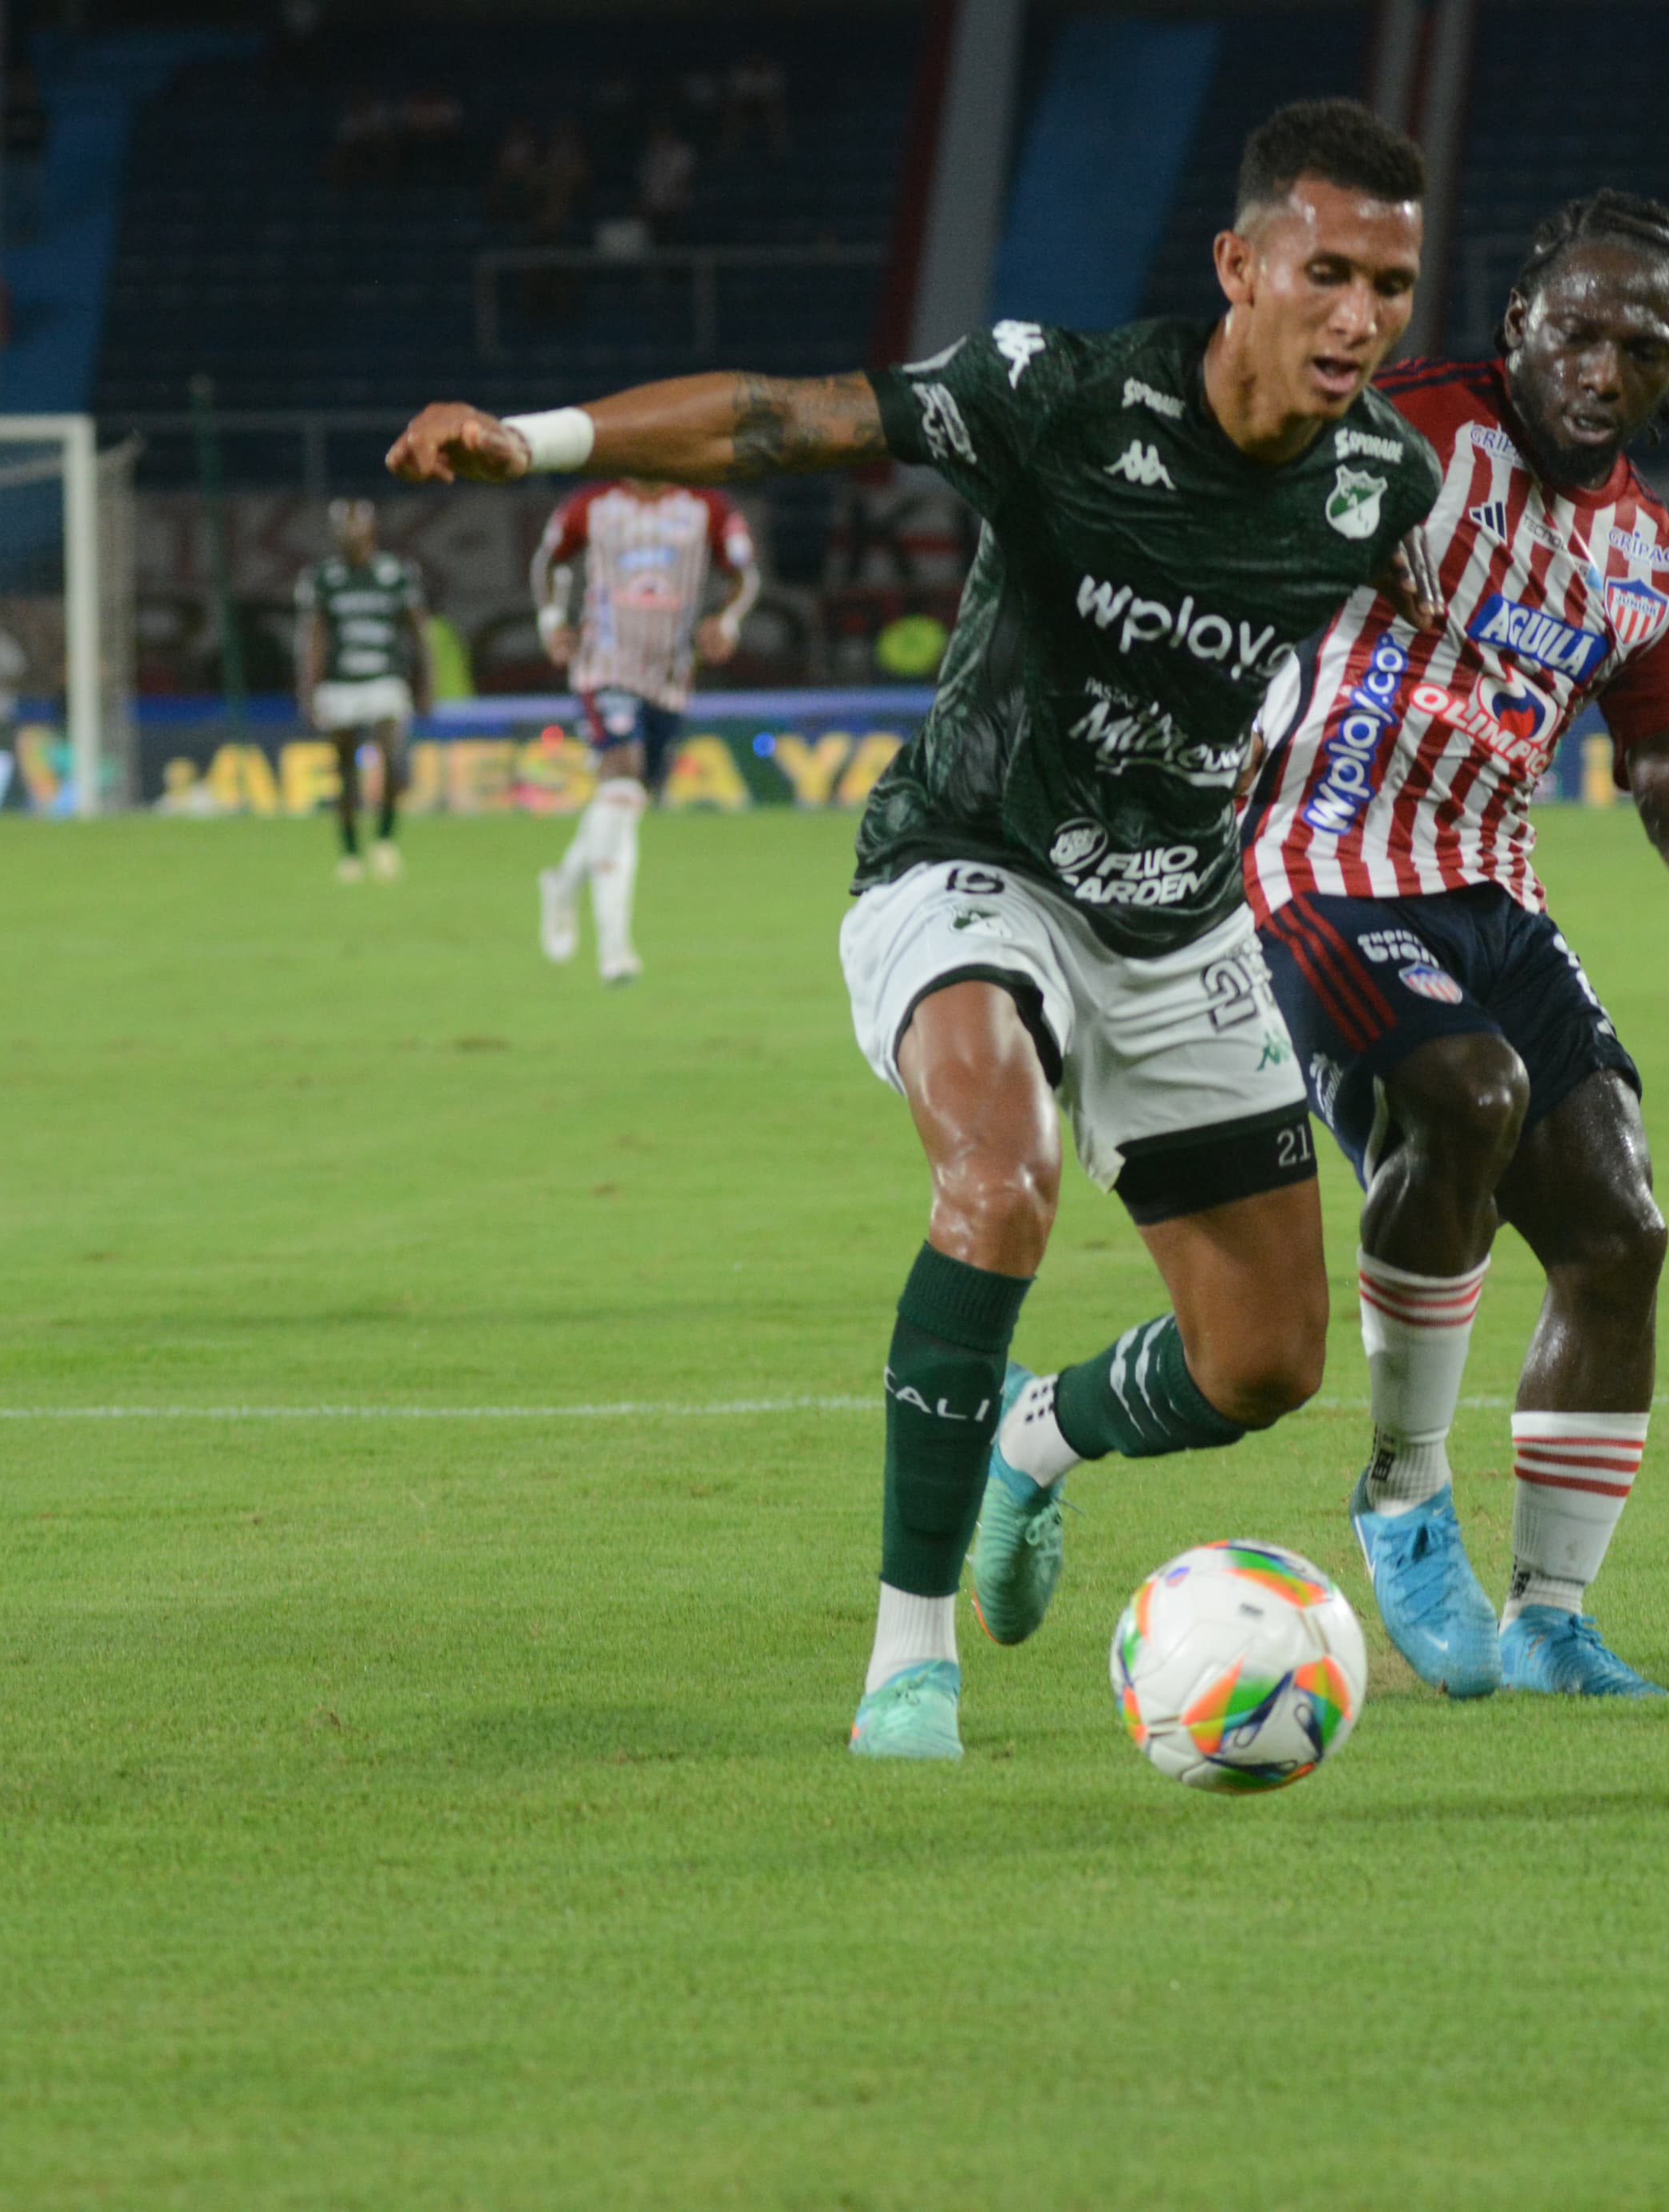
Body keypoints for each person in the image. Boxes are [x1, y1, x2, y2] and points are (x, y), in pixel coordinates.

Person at [388, 97, 1447, 1764]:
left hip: (1176, 918)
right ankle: (908, 1658)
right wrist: (537, 442)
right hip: (969, 858)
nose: (1362, 320)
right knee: (998, 1177)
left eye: (1391, 288)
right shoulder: (1064, 393)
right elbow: (791, 419)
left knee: (1264, 1366)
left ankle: (1038, 1443)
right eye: (1329, 276)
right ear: (1240, 265)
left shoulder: (1387, 480)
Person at [1195, 191, 1669, 1700]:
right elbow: (1214, 494)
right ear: (1517, 318)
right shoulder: (1391, 436)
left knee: (1619, 1225)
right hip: (1315, 861)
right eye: (1577, 328)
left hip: (1487, 887)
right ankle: (1404, 1491)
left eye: (1644, 343)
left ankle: (1549, 1616)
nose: (1604, 363)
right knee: (1466, 1094)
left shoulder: (1662, 566)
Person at [526, 475, 757, 981]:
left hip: (671, 675)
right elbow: (548, 561)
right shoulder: (592, 505)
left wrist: (728, 619)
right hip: (604, 663)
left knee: (628, 802)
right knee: (623, 787)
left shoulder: (707, 506)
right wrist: (551, 621)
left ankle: (564, 884)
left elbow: (745, 573)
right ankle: (615, 948)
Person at [293, 498, 430, 882]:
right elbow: (313, 638)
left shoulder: (395, 573)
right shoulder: (323, 577)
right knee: (344, 772)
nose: (348, 533)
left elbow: (418, 631)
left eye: (355, 525)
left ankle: (385, 840)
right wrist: (308, 691)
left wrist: (426, 685)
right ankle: (350, 852)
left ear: (371, 528)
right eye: (341, 526)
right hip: (340, 685)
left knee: (391, 758)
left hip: (385, 679)